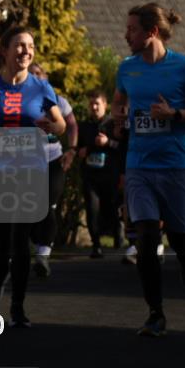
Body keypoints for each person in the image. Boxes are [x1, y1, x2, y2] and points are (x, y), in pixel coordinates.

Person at [112, 3, 185, 337]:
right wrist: (119, 117)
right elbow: (118, 101)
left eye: (132, 30)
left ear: (151, 32)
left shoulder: (183, 67)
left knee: (181, 234)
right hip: (139, 165)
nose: (126, 35)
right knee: (147, 237)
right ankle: (155, 313)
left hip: (176, 165)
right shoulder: (126, 68)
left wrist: (174, 115)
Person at [0, 29, 66, 327]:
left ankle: (17, 307)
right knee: (3, 241)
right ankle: (0, 271)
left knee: (20, 241)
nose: (25, 52)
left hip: (31, 172)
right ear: (5, 50)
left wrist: (51, 125)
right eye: (19, 46)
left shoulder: (41, 88)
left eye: (30, 46)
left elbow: (60, 125)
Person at [27, 62, 76, 276]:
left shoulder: (57, 100)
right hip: (27, 161)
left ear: (45, 77)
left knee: (48, 205)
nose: (36, 77)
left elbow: (72, 124)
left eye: (39, 74)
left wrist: (72, 149)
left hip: (53, 158)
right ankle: (37, 244)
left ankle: (43, 254)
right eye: (32, 74)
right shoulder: (23, 101)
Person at [78, 89, 127, 258]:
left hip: (110, 175)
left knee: (111, 208)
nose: (94, 107)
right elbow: (77, 149)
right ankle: (96, 245)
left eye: (97, 103)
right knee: (92, 209)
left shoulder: (114, 124)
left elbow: (122, 148)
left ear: (105, 105)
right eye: (91, 104)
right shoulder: (83, 126)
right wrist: (81, 151)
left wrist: (108, 142)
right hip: (91, 176)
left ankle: (118, 234)